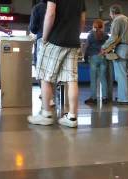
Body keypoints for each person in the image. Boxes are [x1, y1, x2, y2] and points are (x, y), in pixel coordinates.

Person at [28, 0, 86, 128]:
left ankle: (46, 114)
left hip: (55, 39)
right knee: (72, 79)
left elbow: (50, 14)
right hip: (73, 41)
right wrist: (75, 35)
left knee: (45, 77)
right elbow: (82, 20)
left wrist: (44, 38)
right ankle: (72, 117)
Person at [101, 4, 128, 105]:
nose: (110, 16)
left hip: (122, 49)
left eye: (110, 14)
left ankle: (123, 99)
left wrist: (104, 47)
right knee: (126, 75)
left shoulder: (117, 20)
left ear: (113, 12)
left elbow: (114, 37)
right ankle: (124, 96)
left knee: (121, 75)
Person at [84, 19, 109, 105]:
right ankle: (105, 98)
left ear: (94, 26)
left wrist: (85, 57)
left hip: (93, 58)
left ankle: (93, 98)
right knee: (103, 78)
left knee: (93, 79)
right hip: (103, 58)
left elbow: (86, 47)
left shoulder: (91, 35)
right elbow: (108, 46)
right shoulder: (106, 36)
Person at [29, 0, 47, 67]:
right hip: (56, 41)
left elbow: (33, 28)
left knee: (41, 66)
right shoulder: (58, 7)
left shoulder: (37, 7)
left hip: (42, 38)